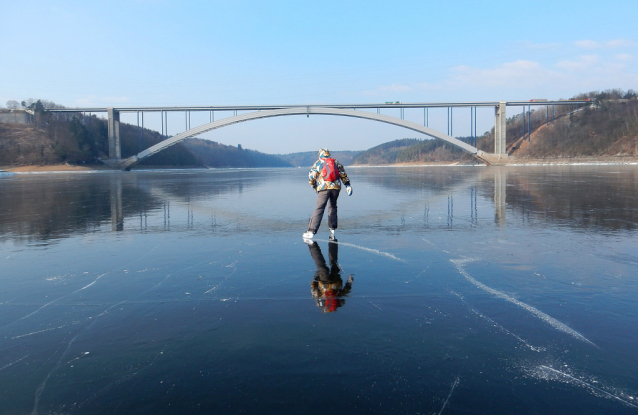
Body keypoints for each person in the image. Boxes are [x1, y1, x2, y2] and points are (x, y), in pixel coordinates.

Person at [302, 148, 352, 240]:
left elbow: (312, 176)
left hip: (323, 188)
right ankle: (332, 228)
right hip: (336, 188)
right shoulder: (336, 162)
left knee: (319, 208)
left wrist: (314, 186)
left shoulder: (319, 162)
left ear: (320, 154)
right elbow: (343, 174)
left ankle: (311, 231)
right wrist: (348, 185)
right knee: (333, 206)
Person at [306, 240, 353, 313]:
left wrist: (349, 282)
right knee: (321, 266)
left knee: (334, 263)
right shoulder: (321, 303)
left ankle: (333, 241)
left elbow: (345, 291)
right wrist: (315, 281)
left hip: (336, 281)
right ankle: (312, 245)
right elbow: (315, 291)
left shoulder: (338, 301)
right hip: (325, 283)